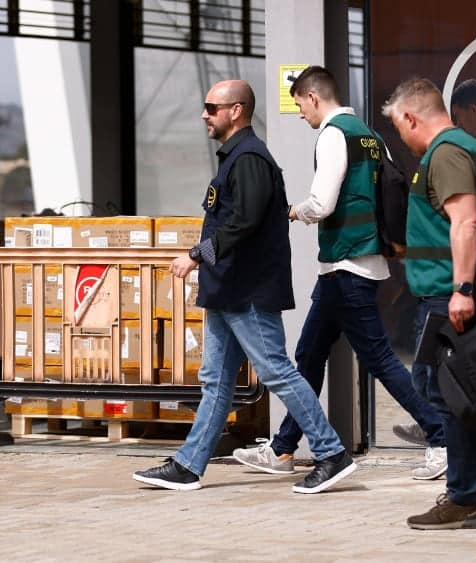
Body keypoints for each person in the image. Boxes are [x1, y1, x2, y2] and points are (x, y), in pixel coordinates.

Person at [132, 80, 356, 493]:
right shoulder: (235, 158)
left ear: (236, 111)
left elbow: (244, 222)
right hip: (227, 291)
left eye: (211, 108)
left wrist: (197, 255)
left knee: (276, 370)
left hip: (248, 291)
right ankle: (189, 465)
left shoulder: (250, 158)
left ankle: (331, 452)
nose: (205, 115)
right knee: (215, 381)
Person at [231, 66, 447, 481]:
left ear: (313, 97)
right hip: (353, 264)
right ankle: (282, 448)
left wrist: (291, 212)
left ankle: (440, 437)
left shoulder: (334, 134)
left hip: (347, 264)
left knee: (379, 359)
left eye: (300, 105)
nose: (300, 114)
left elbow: (322, 203)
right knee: (309, 355)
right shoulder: (369, 135)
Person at [383, 77, 476, 529]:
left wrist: (462, 290)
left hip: (452, 292)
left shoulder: (446, 152)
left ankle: (464, 495)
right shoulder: (462, 148)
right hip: (450, 288)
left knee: (447, 391)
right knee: (441, 386)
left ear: (411, 117)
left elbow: (465, 223)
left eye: (399, 128)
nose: (401, 139)